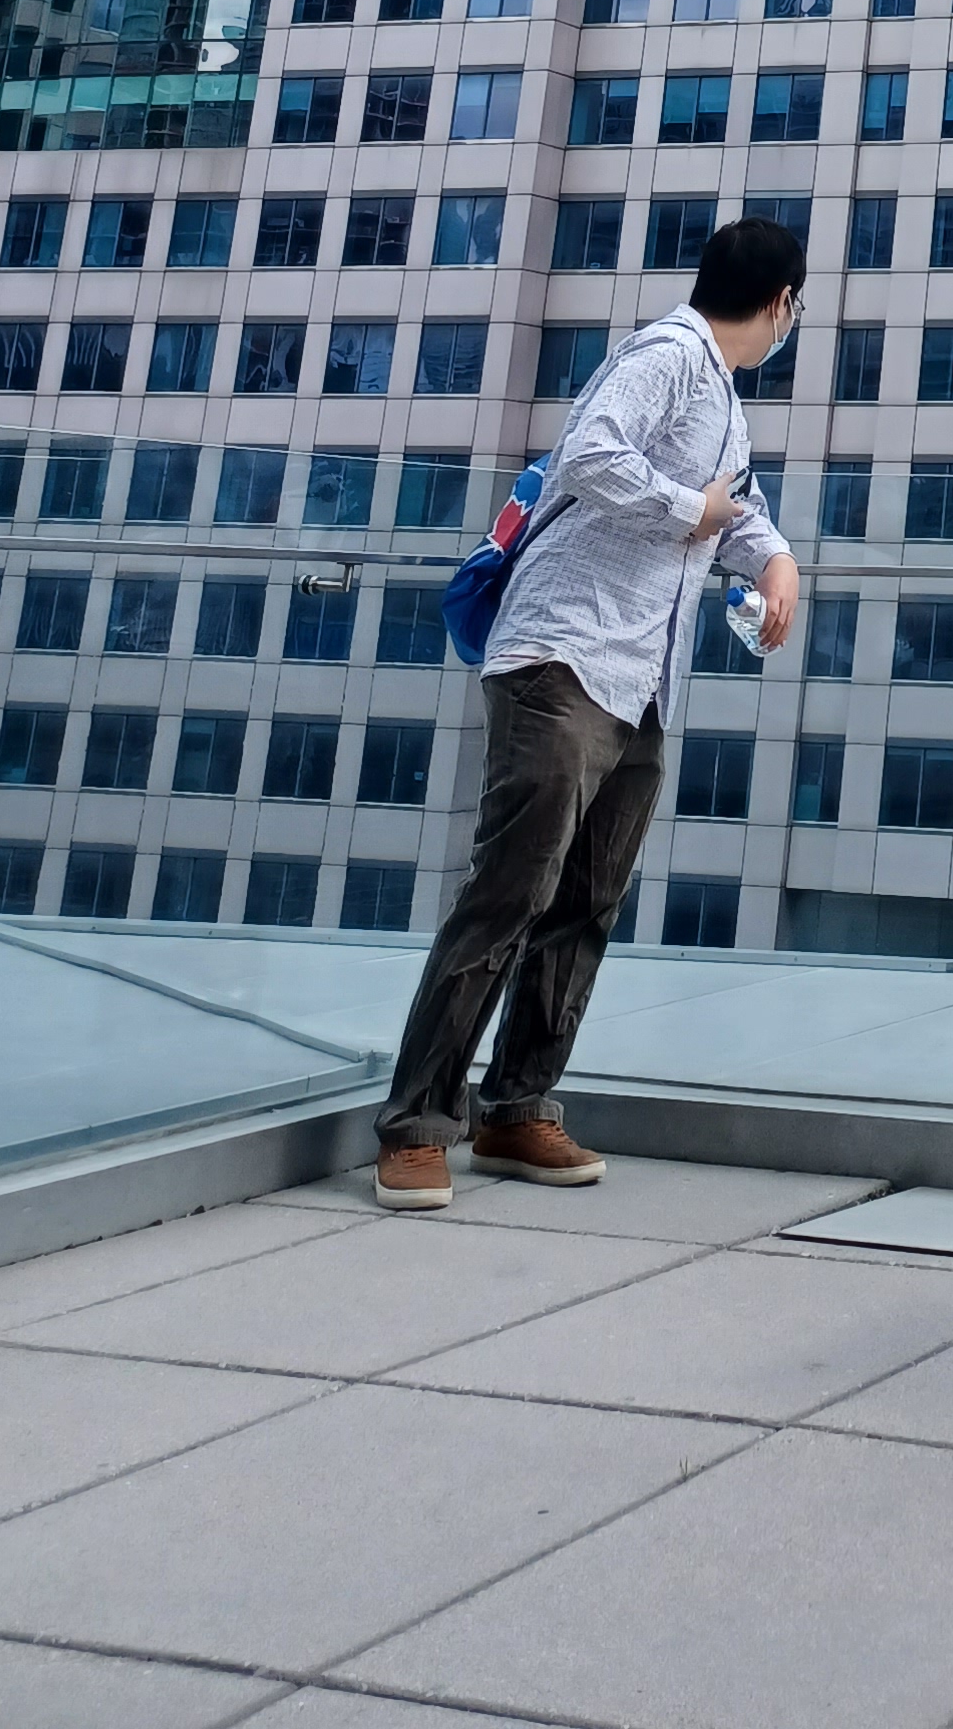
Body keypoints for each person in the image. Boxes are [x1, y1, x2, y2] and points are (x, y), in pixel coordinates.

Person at [372, 214, 803, 1208]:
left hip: (641, 677)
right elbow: (592, 460)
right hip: (561, 655)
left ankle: (517, 1108)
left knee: (584, 904)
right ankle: (415, 1124)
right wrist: (689, 509)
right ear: (783, 304)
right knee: (509, 893)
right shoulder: (668, 356)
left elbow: (733, 508)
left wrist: (769, 554)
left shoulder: (723, 402)